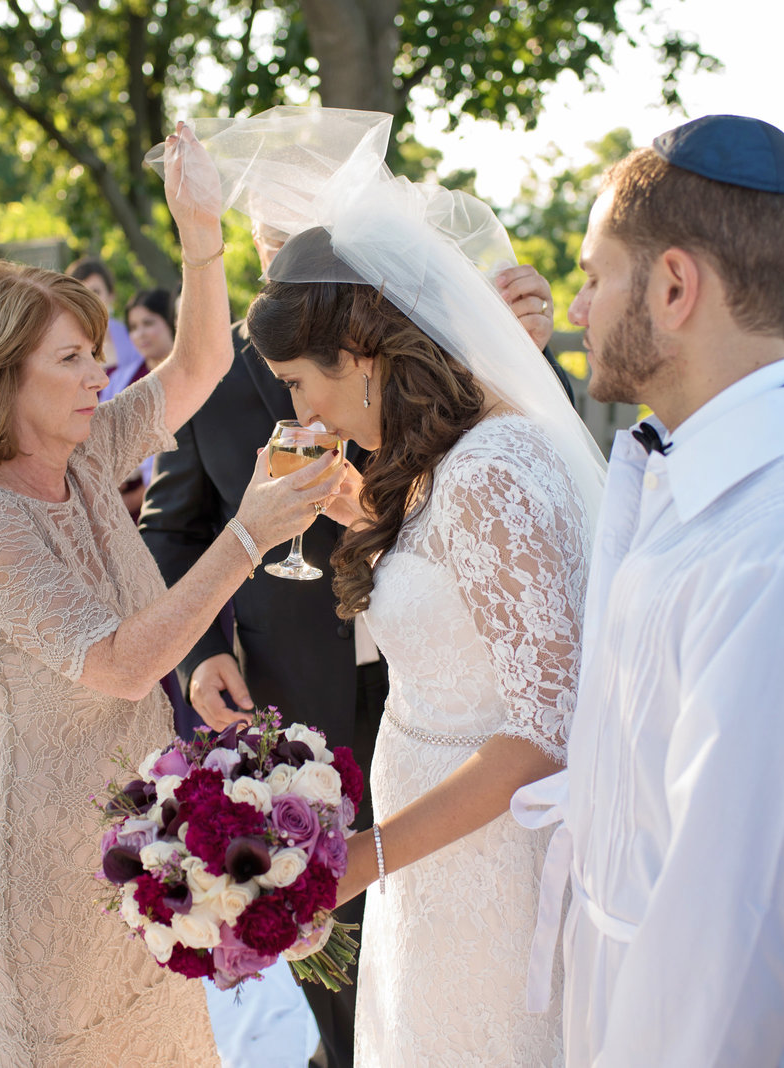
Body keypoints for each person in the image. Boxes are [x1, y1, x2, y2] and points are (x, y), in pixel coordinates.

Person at [155, 106, 607, 1065]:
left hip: (485, 858)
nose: (300, 409)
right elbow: (457, 589)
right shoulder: (460, 458)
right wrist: (359, 515)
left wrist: (359, 860)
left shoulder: (491, 468)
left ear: (360, 355)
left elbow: (541, 730)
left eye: (304, 383)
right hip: (439, 851)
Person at [0, 124, 343, 1065]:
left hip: (146, 835)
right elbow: (119, 664)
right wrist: (248, 536)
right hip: (52, 862)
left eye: (96, 354)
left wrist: (201, 232)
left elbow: (194, 368)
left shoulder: (85, 454)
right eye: (70, 359)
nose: (98, 374)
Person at [515, 115, 784, 1066]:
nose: (577, 308)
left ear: (671, 287)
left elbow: (728, 953)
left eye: (592, 274)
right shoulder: (690, 481)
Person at [119, 287, 176, 518]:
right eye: (133, 327)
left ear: (170, 320)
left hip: (166, 499)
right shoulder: (121, 380)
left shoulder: (184, 379)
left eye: (148, 323)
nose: (140, 333)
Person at [67, 256, 141, 395]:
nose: (89, 300)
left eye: (96, 291)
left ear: (111, 295)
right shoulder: (64, 345)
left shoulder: (133, 338)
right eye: (82, 293)